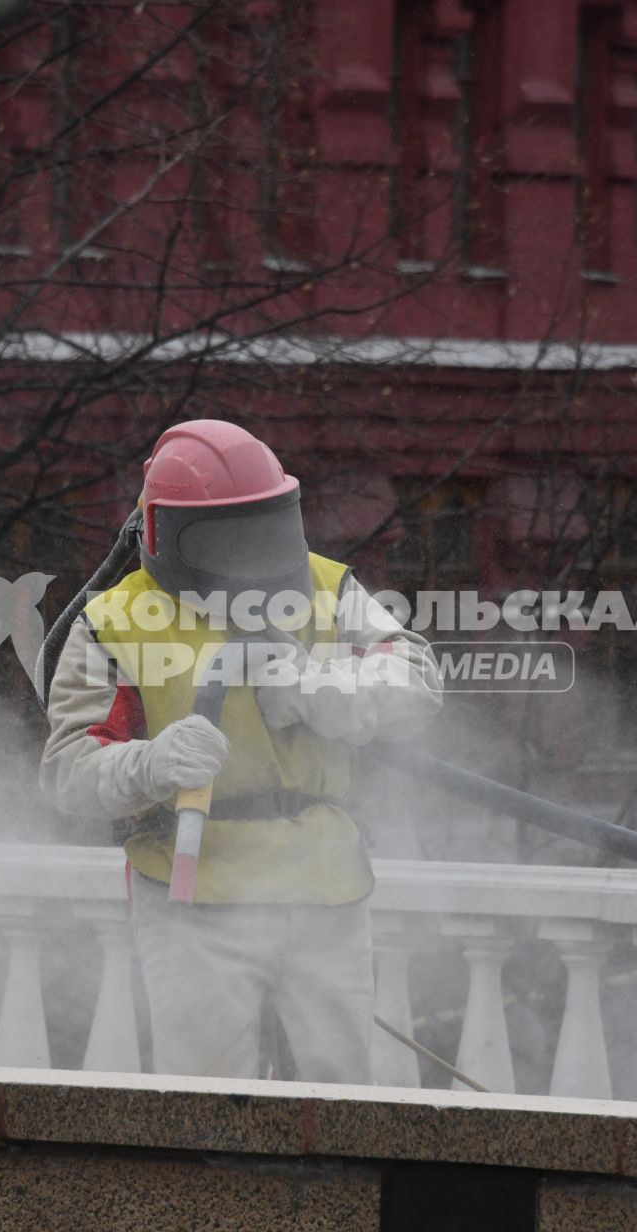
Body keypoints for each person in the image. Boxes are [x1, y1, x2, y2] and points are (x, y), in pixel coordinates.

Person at [40, 419, 441, 1083]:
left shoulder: (326, 588)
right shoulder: (112, 620)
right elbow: (69, 773)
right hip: (193, 893)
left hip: (324, 887)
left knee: (340, 1102)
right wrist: (151, 764)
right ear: (166, 532)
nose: (248, 550)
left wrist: (322, 688)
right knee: (207, 1106)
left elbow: (418, 683)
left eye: (258, 524)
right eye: (225, 532)